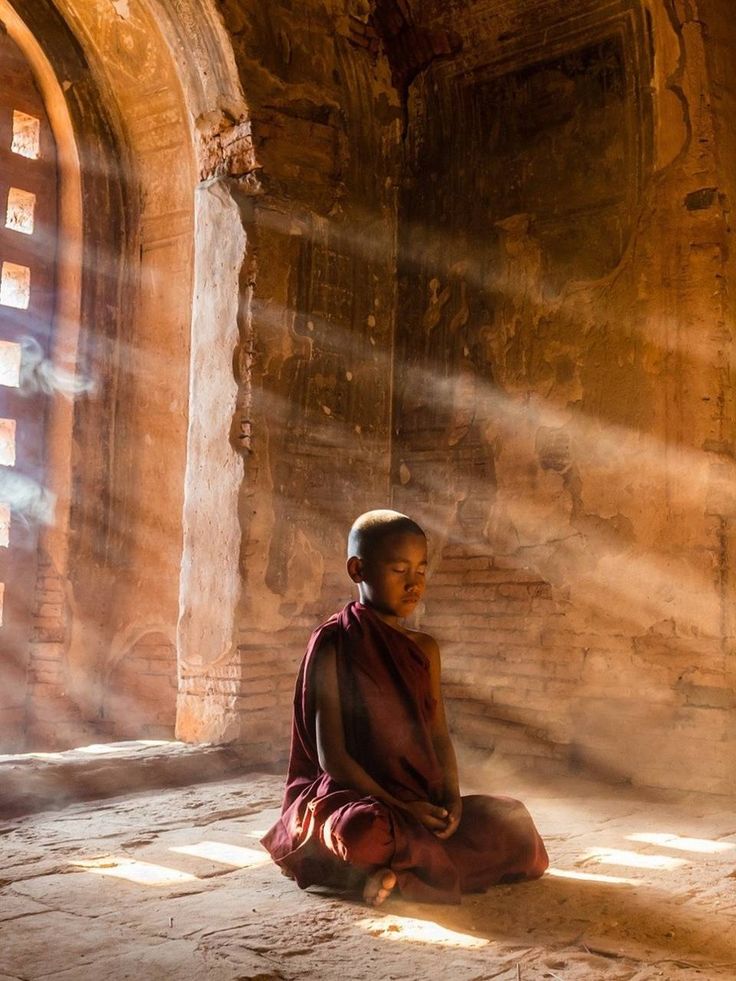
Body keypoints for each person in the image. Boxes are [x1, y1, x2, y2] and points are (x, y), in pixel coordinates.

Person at [261, 509, 549, 905]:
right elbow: (333, 758)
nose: (414, 584)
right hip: (356, 799)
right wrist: (402, 808)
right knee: (363, 833)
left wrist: (450, 801)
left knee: (513, 823)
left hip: (419, 803)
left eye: (421, 570)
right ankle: (397, 867)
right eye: (399, 570)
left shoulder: (424, 649)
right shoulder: (334, 642)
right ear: (358, 568)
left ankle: (386, 873)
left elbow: (438, 735)